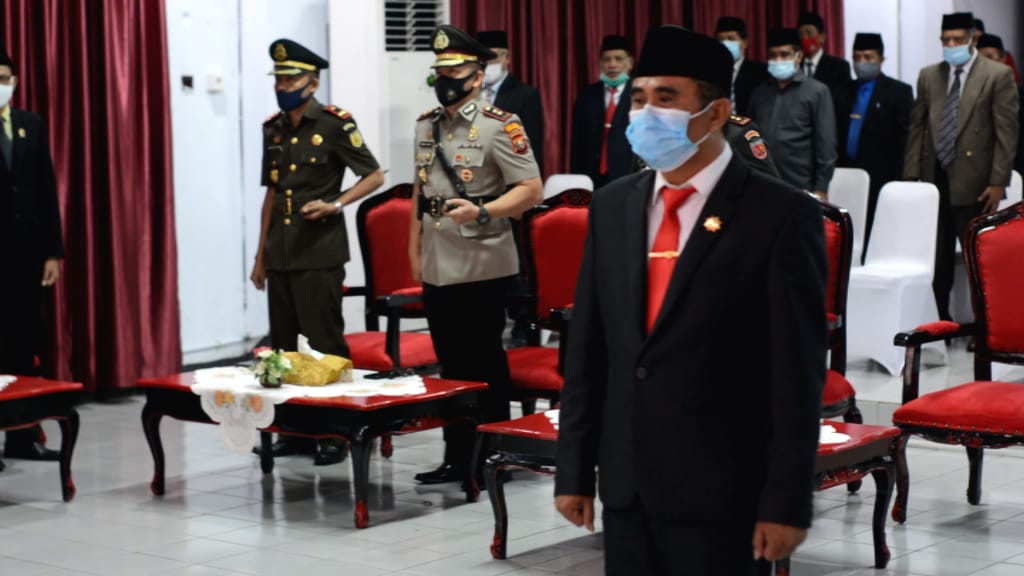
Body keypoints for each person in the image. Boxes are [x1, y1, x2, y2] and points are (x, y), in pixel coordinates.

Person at [555, 25, 827, 576]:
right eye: (639, 98)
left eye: (666, 98)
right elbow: (589, 348)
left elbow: (795, 373)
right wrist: (575, 471)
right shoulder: (613, 206)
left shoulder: (779, 214)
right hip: (628, 485)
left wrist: (785, 501)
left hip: (724, 489)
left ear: (717, 113)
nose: (646, 113)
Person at [409, 25, 543, 484]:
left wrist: (483, 210)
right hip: (438, 259)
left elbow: (530, 190)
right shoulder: (426, 124)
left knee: (483, 362)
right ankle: (456, 456)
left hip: (483, 259)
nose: (445, 79)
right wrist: (414, 250)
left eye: (454, 70)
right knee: (450, 365)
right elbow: (420, 194)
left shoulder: (500, 124)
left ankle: (493, 455)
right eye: (440, 71)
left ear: (478, 75)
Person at [250, 39, 385, 465]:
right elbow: (272, 194)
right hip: (281, 250)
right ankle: (296, 431)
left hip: (319, 249)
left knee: (324, 342)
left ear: (312, 83)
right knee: (283, 345)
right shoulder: (273, 128)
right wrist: (260, 255)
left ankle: (337, 432)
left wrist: (336, 204)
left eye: (291, 80)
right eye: (279, 79)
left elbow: (374, 175)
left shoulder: (334, 124)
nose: (283, 86)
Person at [904, 12, 1019, 322]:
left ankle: (984, 328)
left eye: (957, 39)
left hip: (977, 183)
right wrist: (911, 177)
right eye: (946, 40)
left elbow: (1006, 133)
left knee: (977, 262)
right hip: (935, 181)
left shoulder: (996, 75)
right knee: (937, 261)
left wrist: (998, 181)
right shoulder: (929, 75)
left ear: (972, 39)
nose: (951, 45)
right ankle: (941, 324)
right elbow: (917, 129)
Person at [0, 47, 64, 471]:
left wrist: (53, 251)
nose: (0, 85)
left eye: (4, 77)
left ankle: (22, 438)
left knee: (24, 347)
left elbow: (46, 189)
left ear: (16, 82)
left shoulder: (30, 125)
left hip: (26, 256)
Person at [835, 33, 913, 254]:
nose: (862, 62)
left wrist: (902, 178)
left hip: (881, 176)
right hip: (847, 175)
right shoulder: (841, 90)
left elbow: (904, 139)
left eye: (868, 57)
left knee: (877, 235)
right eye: (857, 57)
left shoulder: (898, 92)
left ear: (881, 59)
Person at [748, 28, 837, 196]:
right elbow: (749, 136)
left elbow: (826, 144)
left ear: (799, 56)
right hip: (762, 182)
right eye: (773, 55)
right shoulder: (759, 92)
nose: (778, 60)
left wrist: (821, 187)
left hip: (801, 184)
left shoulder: (817, 91)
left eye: (784, 54)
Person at [476, 30, 545, 173]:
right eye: (483, 60)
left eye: (494, 58)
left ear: (507, 58)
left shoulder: (525, 95)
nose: (489, 64)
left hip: (510, 173)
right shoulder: (470, 92)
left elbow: (533, 144)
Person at [570, 35, 634, 187]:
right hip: (591, 176)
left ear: (630, 62)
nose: (612, 65)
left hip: (628, 175)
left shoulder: (640, 94)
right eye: (607, 59)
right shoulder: (587, 95)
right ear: (600, 64)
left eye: (618, 59)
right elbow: (577, 142)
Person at [714, 16, 770, 116]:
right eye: (721, 39)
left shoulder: (760, 72)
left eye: (731, 39)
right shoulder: (711, 72)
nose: (725, 44)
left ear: (744, 43)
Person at [797, 11, 851, 98]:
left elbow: (842, 99)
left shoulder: (839, 67)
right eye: (801, 34)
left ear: (822, 37)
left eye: (809, 33)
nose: (804, 38)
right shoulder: (794, 66)